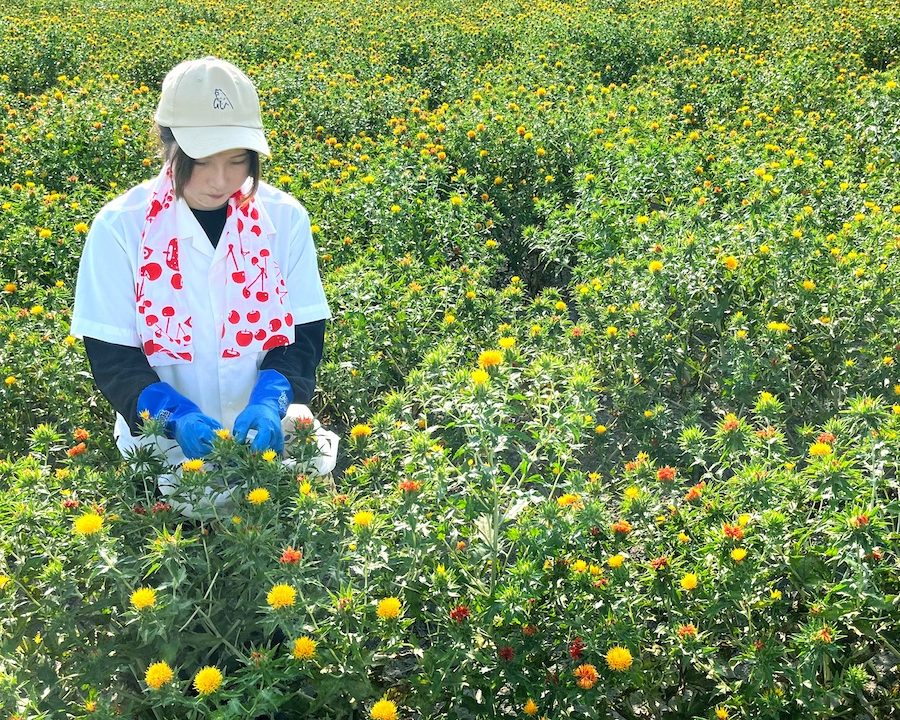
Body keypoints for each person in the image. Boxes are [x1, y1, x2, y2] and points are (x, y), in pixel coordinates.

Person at [71, 57, 332, 507]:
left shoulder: (285, 218)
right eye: (202, 161)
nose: (221, 180)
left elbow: (303, 330)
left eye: (237, 161)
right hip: (165, 455)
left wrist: (273, 397)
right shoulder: (121, 226)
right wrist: (172, 415)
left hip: (270, 444)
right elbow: (111, 353)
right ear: (168, 145)